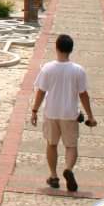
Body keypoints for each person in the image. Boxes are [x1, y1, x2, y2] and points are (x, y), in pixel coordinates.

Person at [30, 34, 97, 192]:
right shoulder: (78, 70)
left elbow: (41, 91)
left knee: (51, 144)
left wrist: (34, 111)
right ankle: (69, 169)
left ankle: (53, 177)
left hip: (51, 111)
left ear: (56, 48)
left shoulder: (48, 68)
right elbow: (83, 94)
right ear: (71, 50)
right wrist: (90, 115)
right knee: (71, 145)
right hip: (70, 113)